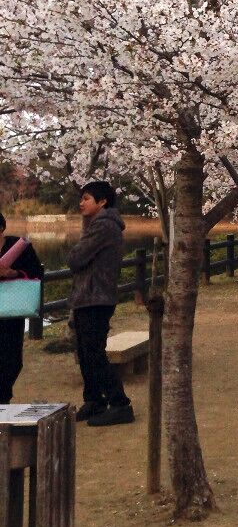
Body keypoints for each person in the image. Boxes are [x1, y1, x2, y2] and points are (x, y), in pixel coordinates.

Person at [67, 181, 134, 426]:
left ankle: (119, 404)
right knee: (85, 353)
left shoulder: (104, 226)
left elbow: (75, 258)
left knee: (94, 353)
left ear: (102, 201)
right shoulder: (98, 225)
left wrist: (78, 248)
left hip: (96, 297)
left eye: (86, 198)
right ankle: (94, 400)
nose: (81, 203)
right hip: (89, 296)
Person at [0, 211, 44, 404]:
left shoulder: (18, 246)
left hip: (11, 310)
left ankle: (3, 396)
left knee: (12, 359)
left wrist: (13, 273)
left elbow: (37, 272)